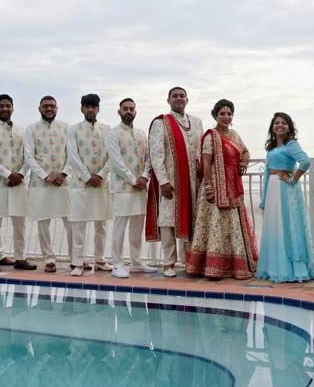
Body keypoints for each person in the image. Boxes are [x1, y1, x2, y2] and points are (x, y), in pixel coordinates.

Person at [186, 99, 257, 279]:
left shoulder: (234, 135)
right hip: (216, 185)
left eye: (229, 113)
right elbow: (206, 163)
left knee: (232, 226)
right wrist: (209, 187)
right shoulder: (211, 136)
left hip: (232, 185)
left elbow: (246, 152)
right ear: (215, 115)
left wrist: (243, 163)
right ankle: (211, 267)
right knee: (214, 225)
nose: (226, 117)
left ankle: (233, 266)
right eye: (222, 114)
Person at [147, 87, 204, 277]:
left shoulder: (196, 122)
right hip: (171, 180)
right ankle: (168, 263)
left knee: (191, 220)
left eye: (182, 96)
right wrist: (163, 180)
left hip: (193, 181)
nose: (179, 98)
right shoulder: (161, 123)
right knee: (168, 222)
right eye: (175, 96)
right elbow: (156, 154)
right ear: (168, 100)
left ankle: (190, 262)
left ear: (187, 100)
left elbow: (201, 150)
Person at [256, 112, 314, 283]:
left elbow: (305, 162)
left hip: (285, 189)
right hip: (273, 189)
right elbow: (267, 173)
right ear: (272, 127)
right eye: (276, 123)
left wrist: (293, 178)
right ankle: (272, 267)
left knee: (286, 227)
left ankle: (288, 269)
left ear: (289, 126)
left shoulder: (291, 145)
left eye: (283, 123)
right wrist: (264, 198)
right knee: (274, 226)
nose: (279, 125)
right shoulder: (272, 148)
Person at [0, 94, 36, 272]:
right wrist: (7, 174)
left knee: (20, 222)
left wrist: (19, 174)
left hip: (18, 183)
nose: (5, 109)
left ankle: (20, 258)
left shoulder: (22, 130)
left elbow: (29, 155)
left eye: (8, 105)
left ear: (13, 108)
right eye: (1, 106)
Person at [104, 98, 157, 278]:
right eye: (125, 109)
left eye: (131, 109)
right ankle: (117, 263)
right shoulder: (113, 133)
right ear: (119, 112)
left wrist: (144, 176)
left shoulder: (142, 134)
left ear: (136, 112)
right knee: (120, 225)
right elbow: (116, 161)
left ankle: (136, 261)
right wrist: (133, 179)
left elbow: (149, 158)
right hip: (122, 188)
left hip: (141, 188)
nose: (128, 111)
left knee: (137, 226)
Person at [24, 96, 74, 273]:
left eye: (52, 106)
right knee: (43, 222)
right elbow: (29, 156)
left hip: (64, 182)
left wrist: (64, 173)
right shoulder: (32, 129)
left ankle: (74, 258)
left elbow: (72, 154)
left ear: (57, 108)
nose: (49, 109)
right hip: (41, 184)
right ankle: (49, 259)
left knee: (70, 220)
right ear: (39, 109)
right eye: (45, 106)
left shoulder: (66, 128)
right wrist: (45, 176)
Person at [67, 94, 113, 276]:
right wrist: (87, 177)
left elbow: (112, 157)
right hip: (80, 185)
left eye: (93, 106)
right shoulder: (73, 130)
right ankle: (78, 262)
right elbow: (73, 156)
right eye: (87, 106)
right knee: (79, 224)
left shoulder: (107, 130)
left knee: (101, 225)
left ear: (98, 109)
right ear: (82, 108)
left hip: (101, 185)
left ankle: (100, 259)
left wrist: (100, 175)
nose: (90, 109)